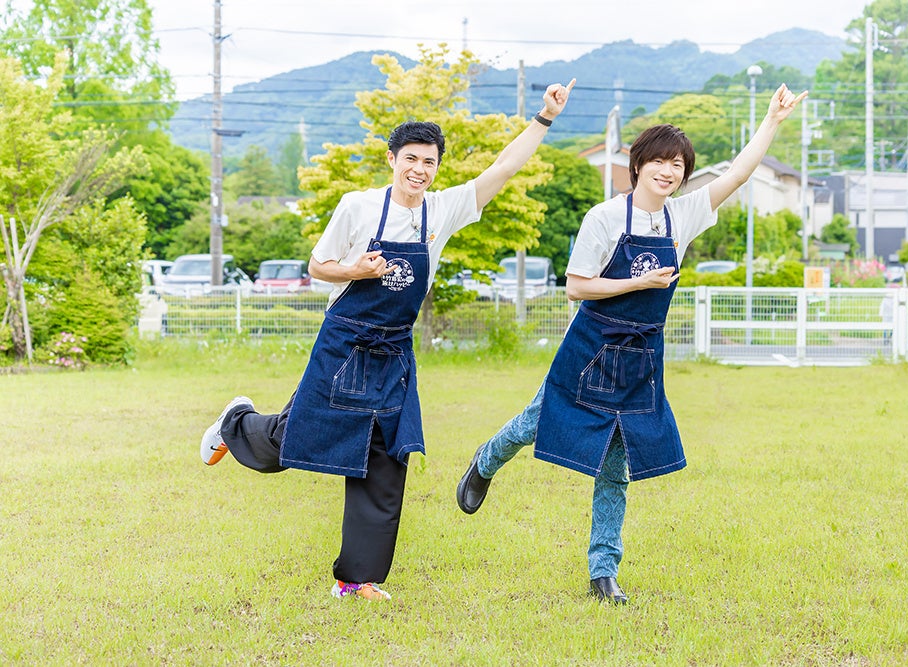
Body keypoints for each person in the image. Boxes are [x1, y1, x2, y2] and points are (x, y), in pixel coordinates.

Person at [200, 78, 576, 602]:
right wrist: (353, 268)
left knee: (386, 457)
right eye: (412, 159)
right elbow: (317, 265)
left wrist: (545, 118)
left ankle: (355, 580)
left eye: (430, 162)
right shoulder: (357, 207)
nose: (420, 170)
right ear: (393, 158)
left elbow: (504, 169)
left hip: (395, 350)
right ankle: (234, 423)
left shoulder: (440, 212)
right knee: (293, 441)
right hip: (344, 342)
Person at [456, 84, 807, 604]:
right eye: (659, 162)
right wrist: (636, 284)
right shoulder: (604, 217)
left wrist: (773, 121)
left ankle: (603, 571)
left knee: (617, 462)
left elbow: (737, 172)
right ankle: (485, 461)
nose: (668, 173)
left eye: (678, 167)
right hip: (593, 344)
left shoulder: (681, 216)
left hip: (642, 356)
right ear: (638, 165)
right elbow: (577, 285)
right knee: (536, 422)